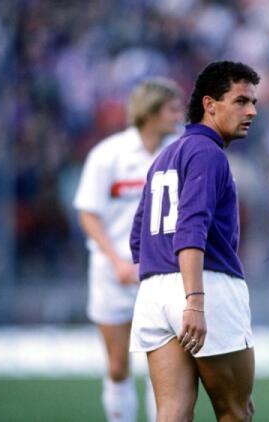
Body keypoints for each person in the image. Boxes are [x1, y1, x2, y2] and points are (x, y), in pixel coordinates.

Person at [130, 61, 259, 421]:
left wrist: (165, 291)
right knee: (236, 411)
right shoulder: (208, 153)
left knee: (172, 412)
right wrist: (195, 301)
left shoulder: (164, 156)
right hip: (204, 286)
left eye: (253, 102)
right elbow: (191, 228)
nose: (251, 111)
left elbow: (137, 237)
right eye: (241, 101)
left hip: (154, 293)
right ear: (209, 105)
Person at [73, 77, 184, 422]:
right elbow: (88, 213)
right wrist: (117, 261)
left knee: (164, 368)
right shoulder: (108, 155)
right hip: (113, 275)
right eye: (172, 109)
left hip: (162, 274)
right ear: (150, 113)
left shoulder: (181, 151)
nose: (180, 115)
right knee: (118, 366)